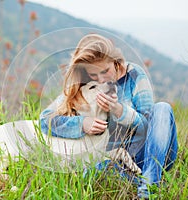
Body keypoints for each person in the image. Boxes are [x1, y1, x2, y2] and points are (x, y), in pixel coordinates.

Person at [40, 33, 178, 199]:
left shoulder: (134, 76)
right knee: (92, 172)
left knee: (162, 108)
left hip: (151, 154)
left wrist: (119, 110)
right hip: (115, 160)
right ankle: (136, 182)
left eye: (105, 71)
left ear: (115, 61)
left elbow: (148, 127)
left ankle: (148, 188)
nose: (101, 79)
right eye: (93, 75)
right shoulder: (84, 83)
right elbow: (45, 119)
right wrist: (82, 124)